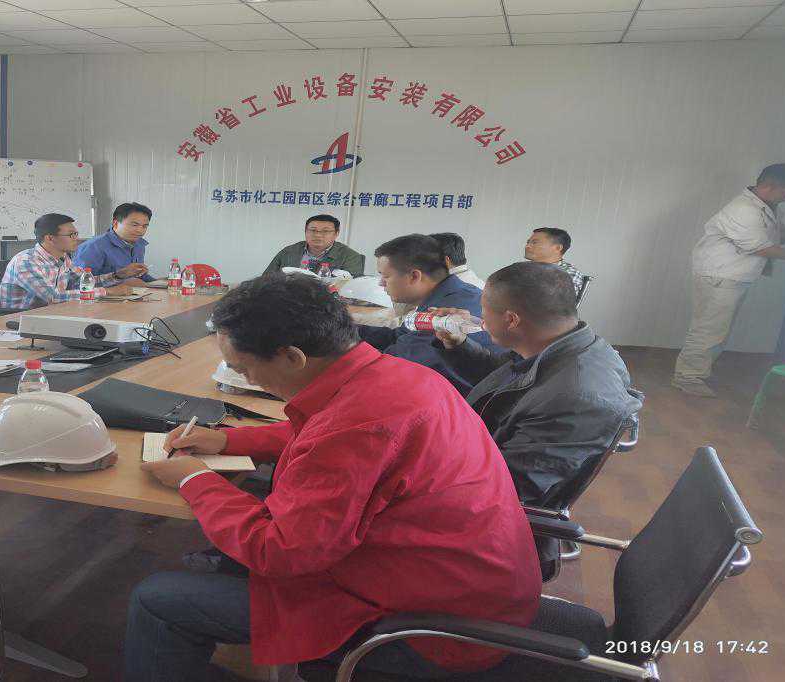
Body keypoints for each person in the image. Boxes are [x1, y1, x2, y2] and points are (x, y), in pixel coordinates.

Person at [129, 273, 539, 681]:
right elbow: (323, 429)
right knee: (236, 541)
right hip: (470, 587)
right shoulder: (395, 376)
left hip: (428, 627)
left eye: (245, 369)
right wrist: (227, 441)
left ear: (292, 357)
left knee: (159, 600)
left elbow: (280, 551)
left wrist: (194, 480)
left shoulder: (358, 425)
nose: (248, 380)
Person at [428, 262, 642, 572]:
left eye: (483, 312)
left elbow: (502, 488)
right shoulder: (564, 345)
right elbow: (510, 380)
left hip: (490, 530)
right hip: (476, 461)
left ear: (511, 320)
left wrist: (422, 467)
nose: (480, 320)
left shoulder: (577, 397)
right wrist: (457, 344)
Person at [674, 163, 785, 397]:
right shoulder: (744, 210)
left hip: (731, 276)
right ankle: (688, 377)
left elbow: (777, 232)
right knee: (709, 330)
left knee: (716, 329)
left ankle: (696, 372)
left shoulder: (765, 206)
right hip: (720, 276)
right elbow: (762, 247)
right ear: (770, 185)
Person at [356, 234, 495, 394]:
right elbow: (398, 336)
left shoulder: (446, 314)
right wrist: (344, 330)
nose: (381, 283)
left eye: (386, 276)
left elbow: (390, 364)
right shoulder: (450, 293)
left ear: (414, 276)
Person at [0, 213, 134, 309]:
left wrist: (118, 275)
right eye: (71, 235)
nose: (76, 238)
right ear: (50, 238)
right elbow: (53, 297)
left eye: (76, 234)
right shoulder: (26, 261)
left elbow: (83, 281)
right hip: (21, 321)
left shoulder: (63, 258)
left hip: (53, 314)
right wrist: (108, 291)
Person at [74, 202, 154, 285]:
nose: (140, 230)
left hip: (134, 292)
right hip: (107, 293)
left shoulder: (139, 244)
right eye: (134, 225)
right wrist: (122, 281)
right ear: (115, 224)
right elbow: (79, 283)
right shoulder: (93, 247)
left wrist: (157, 282)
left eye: (144, 226)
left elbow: (139, 276)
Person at [263, 214, 365, 276]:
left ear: (336, 234)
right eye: (313, 230)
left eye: (325, 231)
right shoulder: (289, 252)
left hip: (328, 301)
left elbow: (352, 288)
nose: (318, 235)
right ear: (305, 231)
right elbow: (266, 278)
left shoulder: (350, 256)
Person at [523, 227, 587, 298]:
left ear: (557, 248)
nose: (527, 246)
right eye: (528, 242)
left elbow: (558, 302)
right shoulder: (523, 269)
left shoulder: (568, 273)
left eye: (534, 243)